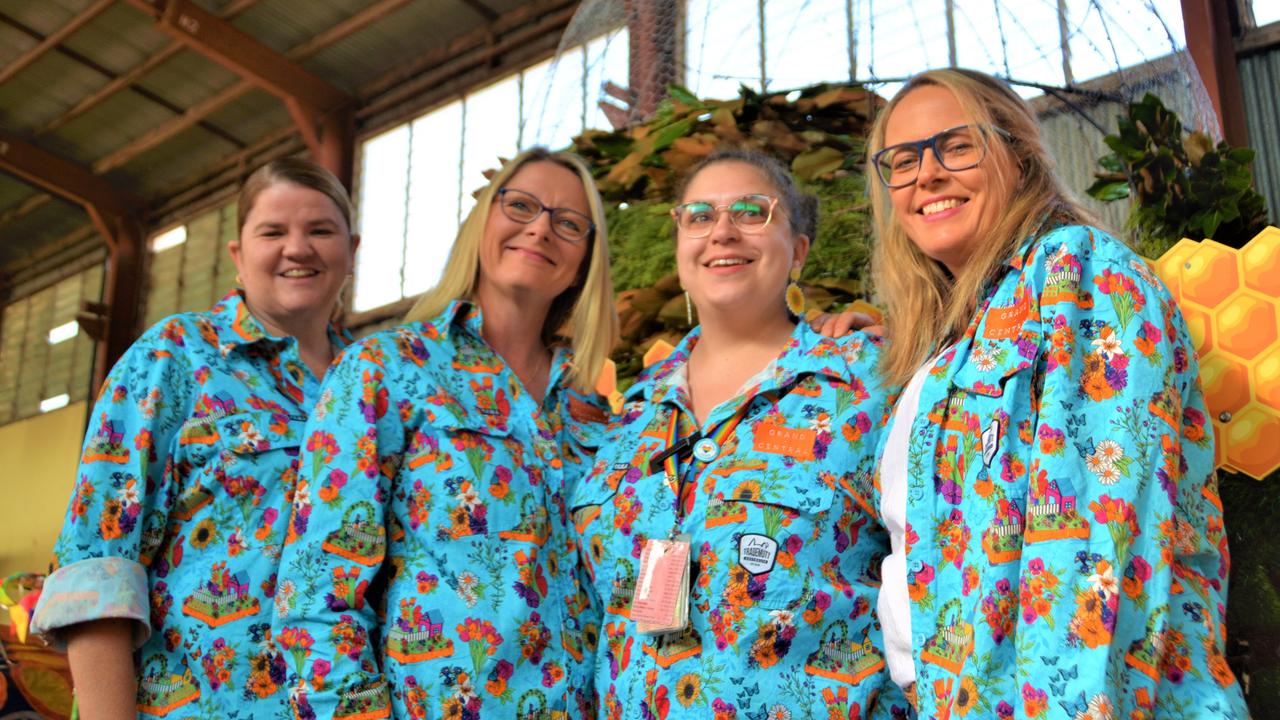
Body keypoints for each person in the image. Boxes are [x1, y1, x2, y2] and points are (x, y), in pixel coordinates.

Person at [865, 68, 1249, 718]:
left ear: (1017, 152)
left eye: (955, 146)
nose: (926, 174)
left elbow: (1093, 542)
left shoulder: (1078, 276)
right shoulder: (947, 345)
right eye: (902, 160)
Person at [272, 147, 619, 719]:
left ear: (584, 259)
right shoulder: (389, 369)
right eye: (522, 206)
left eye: (569, 222)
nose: (540, 228)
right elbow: (317, 590)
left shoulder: (596, 414)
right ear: (483, 222)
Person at [30, 158, 360, 719]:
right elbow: (100, 564)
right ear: (238, 253)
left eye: (321, 230)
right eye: (273, 231)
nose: (298, 248)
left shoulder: (379, 385)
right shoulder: (176, 357)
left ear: (351, 248)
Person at [570, 149, 894, 718]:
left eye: (751, 212)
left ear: (796, 252)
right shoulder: (631, 415)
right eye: (699, 216)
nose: (722, 231)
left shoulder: (870, 379)